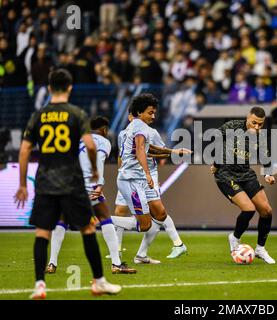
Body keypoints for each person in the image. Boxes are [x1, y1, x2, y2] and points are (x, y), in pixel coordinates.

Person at [14, 69, 121, 299]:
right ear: (70, 87)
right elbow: (91, 146)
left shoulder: (38, 116)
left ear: (49, 88)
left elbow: (24, 151)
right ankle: (99, 281)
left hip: (45, 181)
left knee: (42, 233)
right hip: (71, 182)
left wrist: (22, 184)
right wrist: (93, 169)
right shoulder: (76, 114)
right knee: (88, 228)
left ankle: (40, 285)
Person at [46, 116, 137, 274]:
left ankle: (52, 264)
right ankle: (116, 264)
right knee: (105, 219)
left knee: (62, 220)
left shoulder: (79, 139)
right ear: (104, 130)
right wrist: (99, 184)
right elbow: (98, 160)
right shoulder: (103, 142)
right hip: (89, 185)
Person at [111, 94, 191, 260]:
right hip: (133, 180)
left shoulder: (131, 128)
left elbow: (148, 148)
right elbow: (141, 149)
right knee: (145, 224)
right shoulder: (141, 129)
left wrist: (173, 151)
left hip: (136, 179)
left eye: (154, 112)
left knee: (159, 214)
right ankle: (99, 218)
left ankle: (144, 254)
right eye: (150, 112)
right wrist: (148, 173)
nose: (153, 116)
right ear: (139, 112)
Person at [211, 106, 277, 264]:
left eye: (260, 124)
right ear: (248, 117)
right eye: (254, 122)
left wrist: (268, 174)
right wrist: (216, 162)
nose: (256, 127)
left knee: (266, 210)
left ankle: (260, 249)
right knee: (249, 209)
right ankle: (234, 238)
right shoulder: (232, 127)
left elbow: (265, 157)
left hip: (245, 174)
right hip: (226, 174)